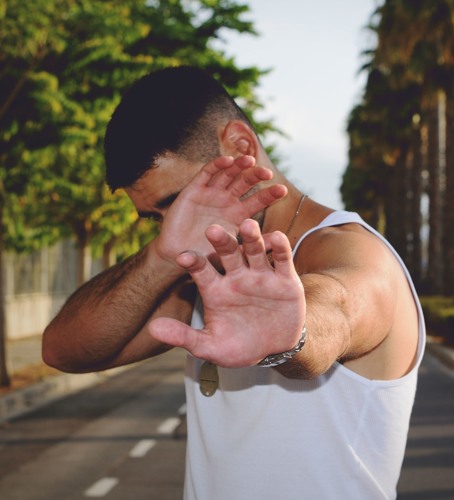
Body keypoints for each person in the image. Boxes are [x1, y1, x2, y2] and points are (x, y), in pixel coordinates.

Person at [42, 66, 425, 500]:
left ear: (241, 146)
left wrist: (290, 335)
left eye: (176, 200)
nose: (174, 225)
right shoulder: (200, 270)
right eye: (156, 218)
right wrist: (160, 257)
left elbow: (336, 311)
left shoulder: (355, 252)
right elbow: (63, 350)